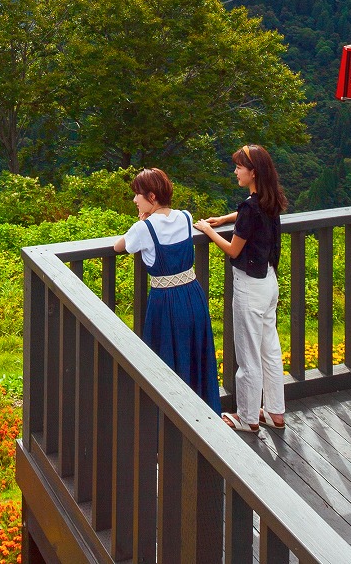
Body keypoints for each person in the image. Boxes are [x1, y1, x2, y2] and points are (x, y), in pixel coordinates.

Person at [194, 144, 287, 433]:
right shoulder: (270, 200)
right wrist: (224, 219)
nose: (235, 171)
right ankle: (275, 413)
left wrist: (209, 231)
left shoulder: (251, 206)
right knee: (269, 350)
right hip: (269, 282)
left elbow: (234, 250)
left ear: (253, 172)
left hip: (250, 286)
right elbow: (249, 215)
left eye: (239, 167)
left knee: (248, 356)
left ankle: (247, 418)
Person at [114, 168, 222, 414]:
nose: (134, 200)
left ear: (151, 197)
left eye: (137, 195)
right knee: (195, 354)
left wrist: (140, 223)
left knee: (165, 361)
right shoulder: (185, 216)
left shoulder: (144, 228)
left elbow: (118, 245)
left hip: (165, 301)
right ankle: (204, 415)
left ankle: (169, 422)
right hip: (193, 295)